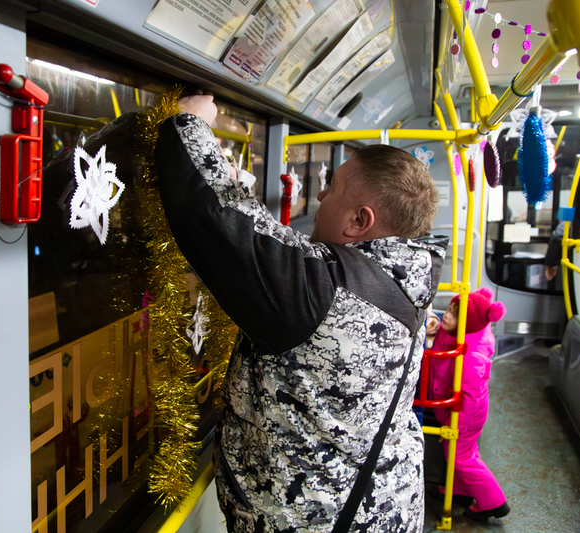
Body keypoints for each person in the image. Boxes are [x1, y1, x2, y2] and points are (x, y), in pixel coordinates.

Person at [155, 93, 447, 532]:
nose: (322, 195)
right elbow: (279, 248)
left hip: (318, 521)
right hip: (379, 507)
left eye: (333, 187)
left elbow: (214, 219)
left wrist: (189, 124)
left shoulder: (329, 292)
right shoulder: (403, 274)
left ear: (359, 221)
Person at [427, 287, 509, 522]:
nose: (446, 315)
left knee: (462, 458)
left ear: (467, 323)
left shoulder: (472, 357)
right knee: (457, 453)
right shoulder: (461, 332)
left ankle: (493, 502)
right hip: (457, 410)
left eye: (454, 314)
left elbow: (470, 398)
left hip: (464, 415)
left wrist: (456, 425)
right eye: (449, 309)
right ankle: (459, 492)